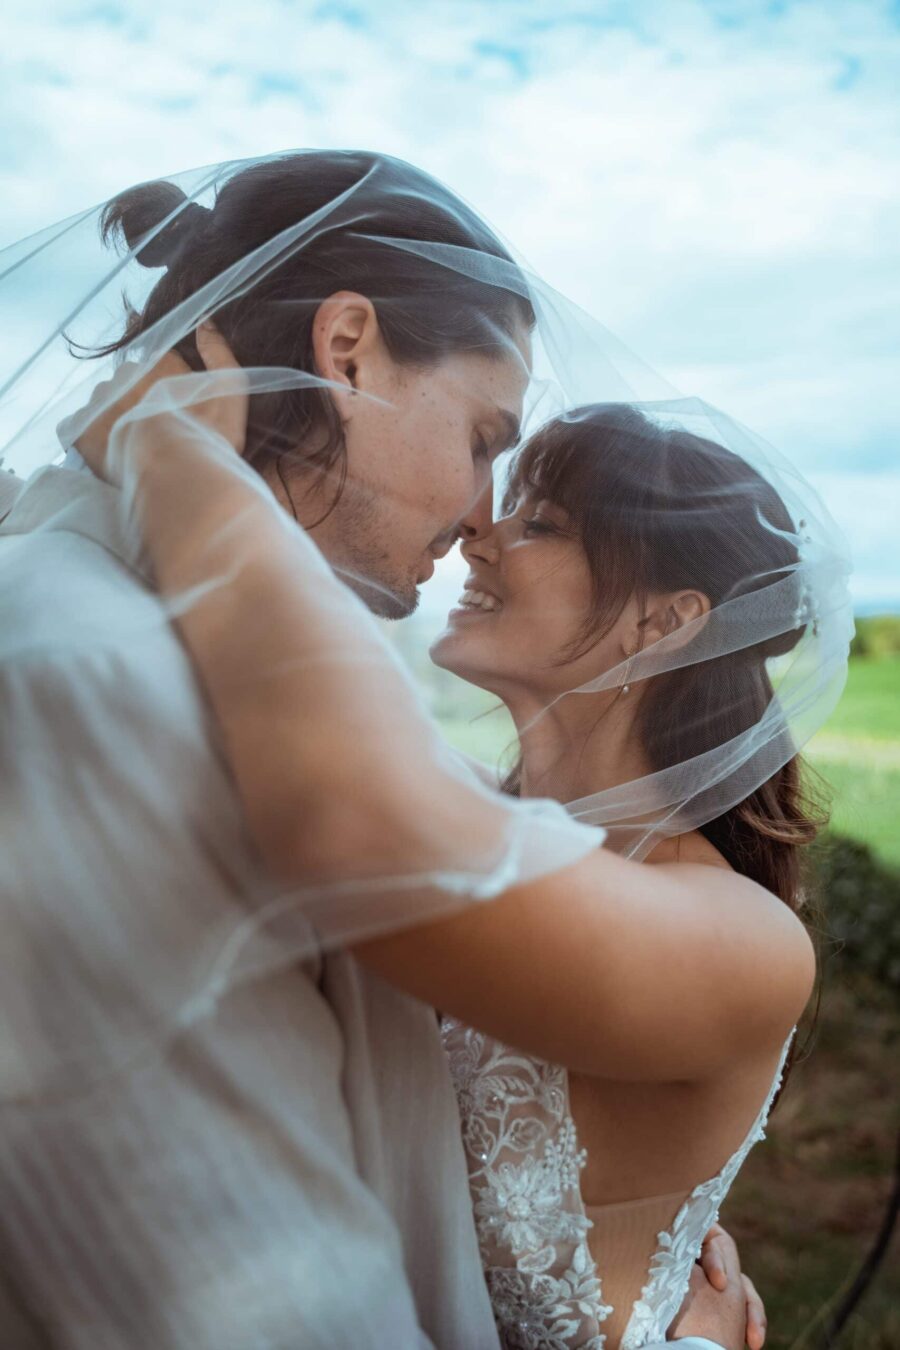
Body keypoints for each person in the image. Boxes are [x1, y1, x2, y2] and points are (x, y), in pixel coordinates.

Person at [0, 151, 766, 1350]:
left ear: (668, 620)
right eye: (481, 439)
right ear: (346, 349)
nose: (481, 527)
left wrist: (172, 454)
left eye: (541, 514)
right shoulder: (103, 673)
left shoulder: (269, 699)